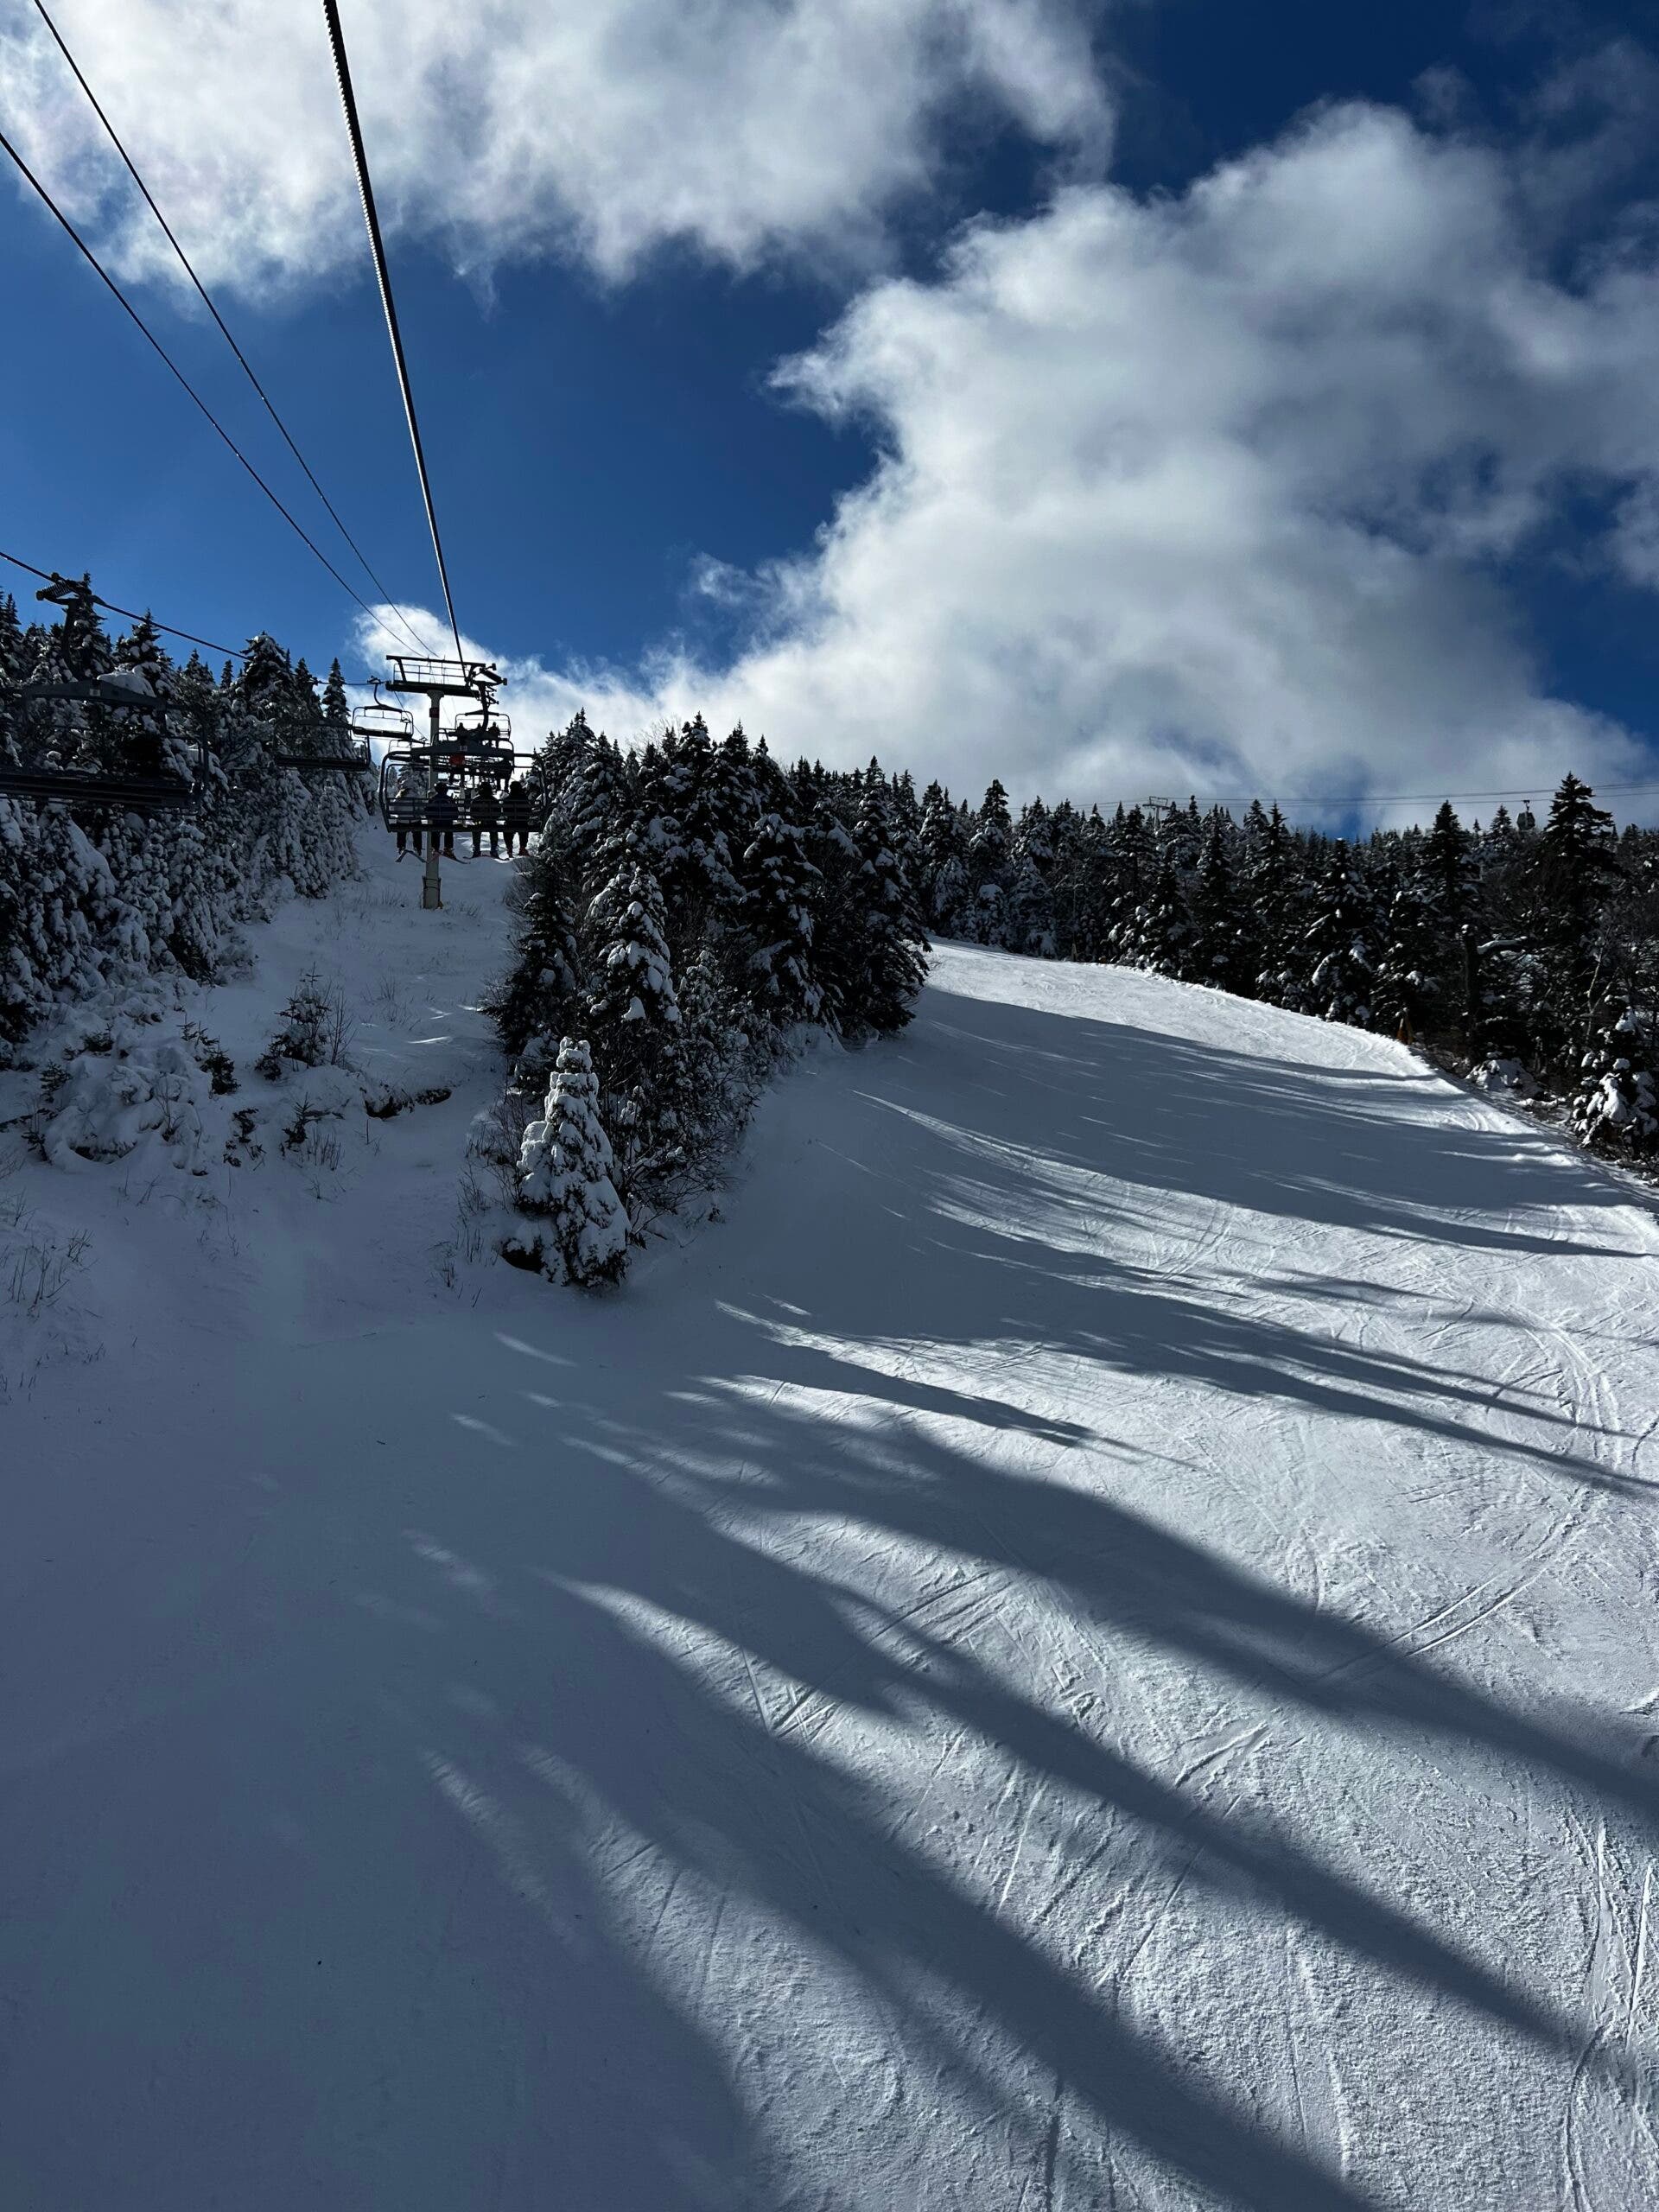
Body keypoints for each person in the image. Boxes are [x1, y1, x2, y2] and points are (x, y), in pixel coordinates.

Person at [391, 776, 423, 857]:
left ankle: (401, 846)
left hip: (402, 822)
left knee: (401, 830)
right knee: (417, 832)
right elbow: (421, 808)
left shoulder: (399, 796)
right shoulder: (416, 796)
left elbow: (394, 809)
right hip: (414, 822)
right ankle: (417, 847)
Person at [427, 779, 459, 858]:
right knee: (449, 831)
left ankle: (435, 848)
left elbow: (427, 812)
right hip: (448, 822)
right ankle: (448, 848)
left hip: (436, 822)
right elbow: (456, 813)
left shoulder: (433, 799)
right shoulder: (450, 799)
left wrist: (432, 817)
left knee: (435, 830)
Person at [470, 778, 502, 857]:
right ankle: (494, 849)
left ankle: (477, 849)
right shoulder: (494, 800)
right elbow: (498, 813)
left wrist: (476, 818)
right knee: (494, 829)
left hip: (479, 822)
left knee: (476, 828)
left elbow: (472, 813)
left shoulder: (476, 799)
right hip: (491, 822)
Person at [501, 779, 533, 855]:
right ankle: (522, 847)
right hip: (522, 823)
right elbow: (529, 811)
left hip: (511, 823)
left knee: (507, 829)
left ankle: (509, 847)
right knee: (524, 829)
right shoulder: (524, 799)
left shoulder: (507, 800)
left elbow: (505, 812)